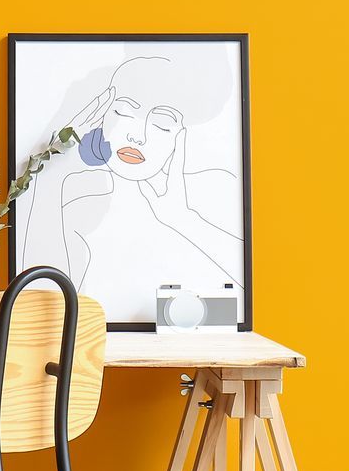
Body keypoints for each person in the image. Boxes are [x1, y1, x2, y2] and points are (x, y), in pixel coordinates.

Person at [23, 56, 244, 314]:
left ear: (181, 137)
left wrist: (182, 218)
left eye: (162, 124)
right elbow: (40, 311)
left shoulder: (218, 189)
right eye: (124, 111)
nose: (137, 136)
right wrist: (55, 176)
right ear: (101, 116)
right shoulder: (78, 214)